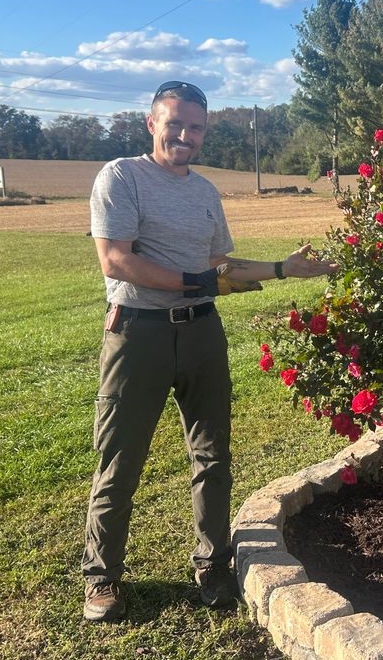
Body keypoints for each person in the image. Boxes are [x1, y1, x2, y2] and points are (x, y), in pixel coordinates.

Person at [83, 80, 334, 623]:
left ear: (204, 133)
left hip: (201, 332)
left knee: (212, 454)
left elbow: (222, 269)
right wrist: (199, 280)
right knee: (121, 458)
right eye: (174, 122)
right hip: (138, 333)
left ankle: (212, 563)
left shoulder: (204, 192)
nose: (184, 134)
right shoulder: (121, 176)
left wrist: (282, 269)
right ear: (151, 122)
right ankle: (102, 578)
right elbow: (117, 262)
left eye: (195, 127)